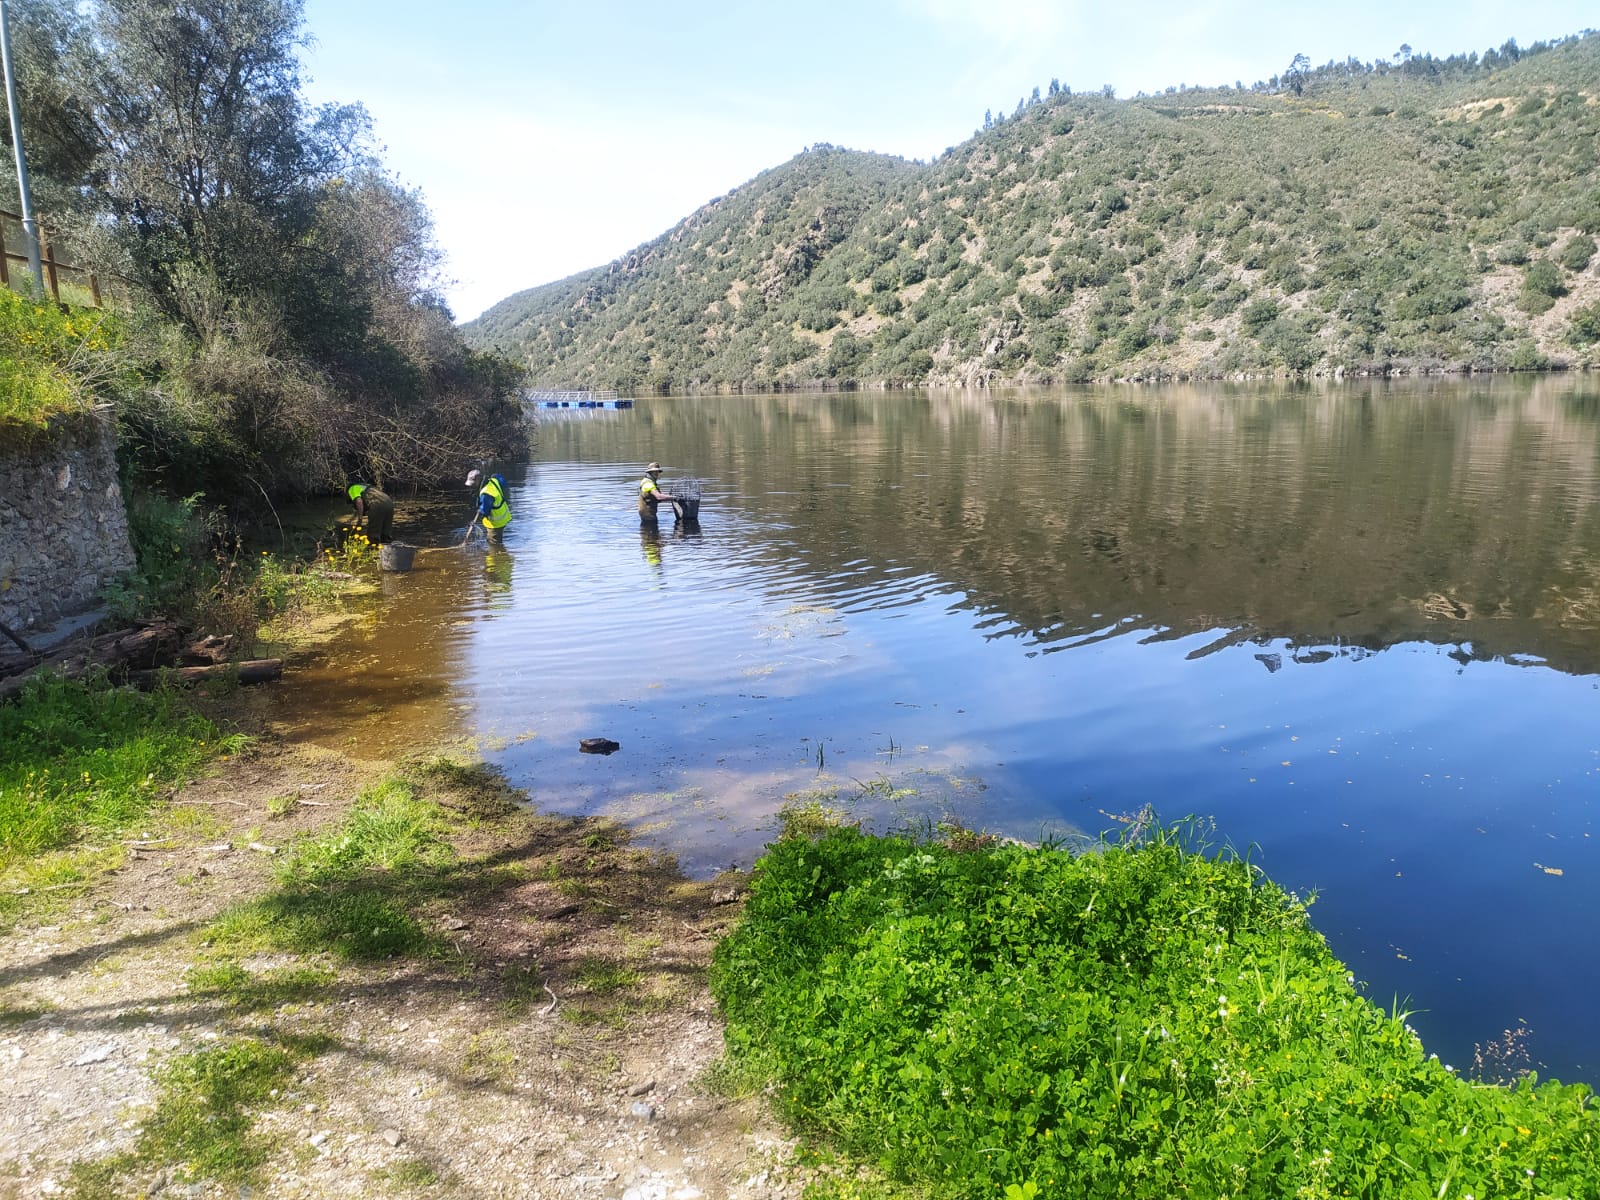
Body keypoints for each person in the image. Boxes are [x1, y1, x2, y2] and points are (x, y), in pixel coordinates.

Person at [466, 468, 512, 543]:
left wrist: (474, 521)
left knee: (493, 543)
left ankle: (497, 554)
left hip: (495, 524)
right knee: (497, 540)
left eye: (473, 483)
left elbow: (484, 511)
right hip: (503, 518)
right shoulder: (493, 480)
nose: (472, 486)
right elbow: (502, 481)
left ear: (478, 479)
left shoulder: (486, 493)